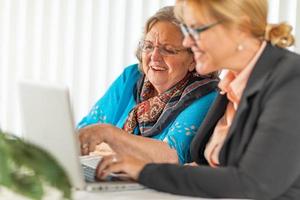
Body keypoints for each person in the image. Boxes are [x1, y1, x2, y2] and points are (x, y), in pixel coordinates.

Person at [95, 0, 300, 199]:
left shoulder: (291, 80)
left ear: (241, 28)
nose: (187, 42)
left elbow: (255, 183)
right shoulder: (232, 84)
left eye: (197, 30)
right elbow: (206, 166)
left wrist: (144, 171)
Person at [78, 6, 219, 164]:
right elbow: (85, 132)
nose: (155, 57)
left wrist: (109, 137)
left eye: (168, 50)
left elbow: (171, 155)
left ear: (194, 59)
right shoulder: (131, 77)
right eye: (149, 46)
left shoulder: (207, 97)